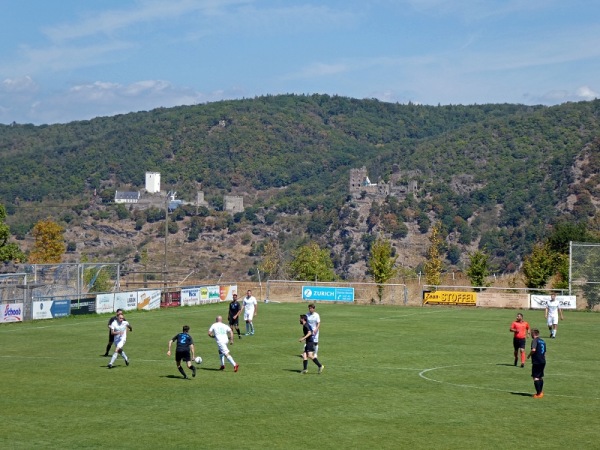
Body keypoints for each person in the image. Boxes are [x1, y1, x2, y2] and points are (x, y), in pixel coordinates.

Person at [527, 328, 546, 398]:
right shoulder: (542, 341)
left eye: (531, 333)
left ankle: (538, 393)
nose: (531, 335)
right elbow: (545, 353)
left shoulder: (535, 340)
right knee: (540, 377)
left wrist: (529, 355)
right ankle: (541, 391)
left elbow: (533, 349)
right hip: (543, 361)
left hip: (537, 361)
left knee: (535, 377)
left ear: (534, 334)